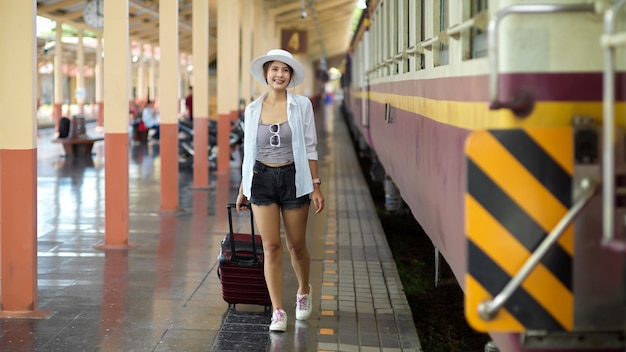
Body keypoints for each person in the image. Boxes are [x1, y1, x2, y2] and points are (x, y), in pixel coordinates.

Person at [235, 49, 324, 333]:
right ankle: (278, 310)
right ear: (266, 74)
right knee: (271, 247)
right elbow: (250, 151)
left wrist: (316, 187)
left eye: (285, 70)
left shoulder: (302, 105)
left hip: (294, 178)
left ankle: (303, 290)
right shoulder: (252, 109)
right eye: (274, 69)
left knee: (296, 246)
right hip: (261, 179)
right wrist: (243, 188)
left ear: (290, 76)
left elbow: (310, 147)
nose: (279, 75)